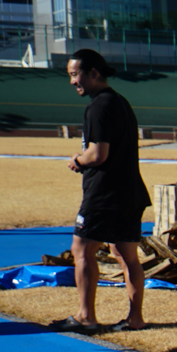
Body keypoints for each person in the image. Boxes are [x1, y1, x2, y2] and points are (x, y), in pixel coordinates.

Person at [57, 49, 152, 332]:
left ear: (94, 73)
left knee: (82, 249)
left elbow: (98, 154)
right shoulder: (121, 102)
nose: (73, 81)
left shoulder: (98, 107)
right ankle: (135, 319)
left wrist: (77, 159)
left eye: (75, 74)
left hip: (105, 194)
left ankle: (86, 316)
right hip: (130, 192)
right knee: (128, 257)